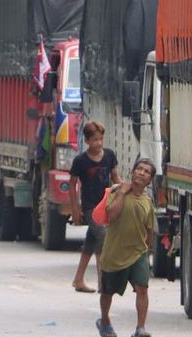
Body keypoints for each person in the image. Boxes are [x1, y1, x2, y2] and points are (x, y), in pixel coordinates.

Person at [97, 159, 157, 337]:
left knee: (142, 289)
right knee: (107, 292)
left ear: (150, 180)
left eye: (146, 171)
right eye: (139, 169)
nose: (141, 173)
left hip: (137, 253)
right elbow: (112, 214)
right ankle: (105, 321)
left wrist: (148, 250)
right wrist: (123, 192)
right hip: (114, 253)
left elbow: (149, 229)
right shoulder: (117, 192)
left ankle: (140, 328)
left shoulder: (147, 201)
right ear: (133, 172)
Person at [70, 121, 120, 293]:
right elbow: (72, 184)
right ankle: (102, 283)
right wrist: (75, 208)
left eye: (100, 139)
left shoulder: (109, 156)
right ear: (87, 141)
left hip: (106, 203)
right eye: (94, 140)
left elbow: (115, 178)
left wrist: (123, 195)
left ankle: (78, 280)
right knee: (103, 240)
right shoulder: (80, 161)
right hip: (90, 207)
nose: (98, 143)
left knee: (91, 242)